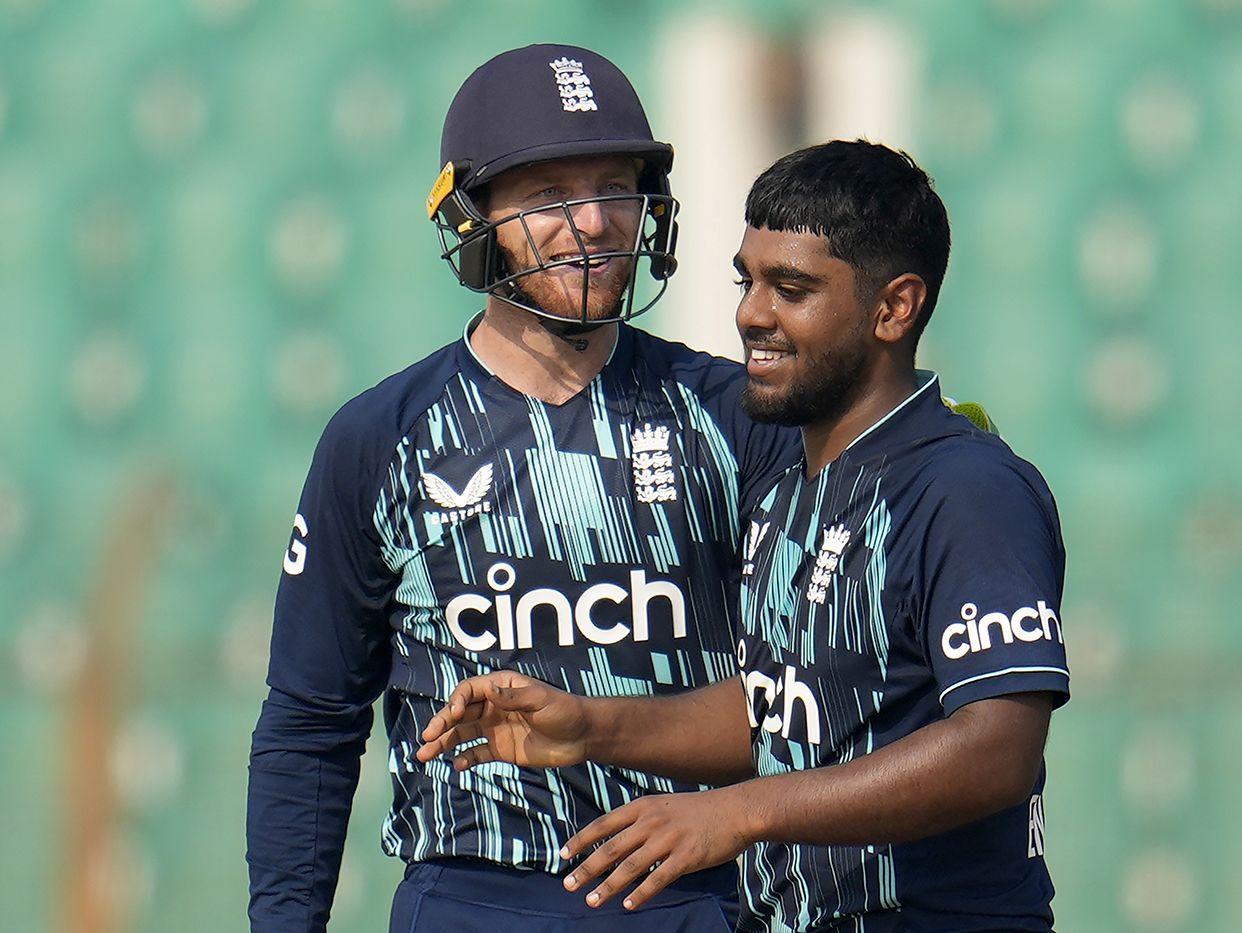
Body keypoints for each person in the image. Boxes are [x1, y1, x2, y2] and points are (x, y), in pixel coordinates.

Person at [416, 140, 1071, 932]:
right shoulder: (790, 487)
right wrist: (592, 726)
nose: (752, 314)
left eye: (791, 289)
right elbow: (779, 708)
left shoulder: (964, 489)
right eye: (747, 280)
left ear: (894, 308)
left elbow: (997, 746)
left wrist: (742, 811)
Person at [245, 44, 802, 932]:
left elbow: (800, 694)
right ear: (474, 219)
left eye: (613, 188)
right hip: (472, 897)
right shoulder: (378, 437)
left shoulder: (738, 416)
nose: (590, 223)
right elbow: (311, 721)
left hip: (697, 897)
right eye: (548, 197)